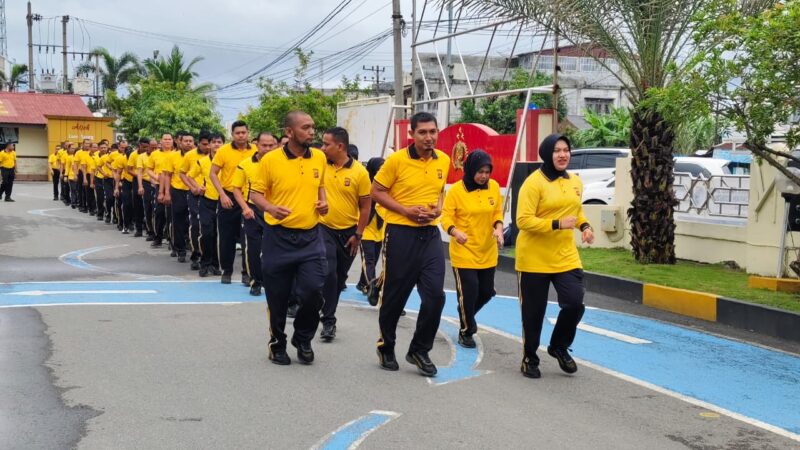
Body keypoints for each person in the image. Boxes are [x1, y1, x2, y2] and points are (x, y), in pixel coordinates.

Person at [370, 111, 450, 376]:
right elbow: (376, 191)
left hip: (430, 236)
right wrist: (405, 211)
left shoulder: (444, 160)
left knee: (435, 296)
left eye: (433, 132)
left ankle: (419, 349)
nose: (429, 137)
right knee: (395, 297)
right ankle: (386, 345)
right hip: (401, 233)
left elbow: (439, 192)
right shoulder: (396, 161)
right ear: (411, 134)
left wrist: (437, 210)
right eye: (423, 132)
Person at [249, 110, 328, 366]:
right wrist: (271, 208)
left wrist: (323, 204)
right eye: (306, 127)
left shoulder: (319, 157)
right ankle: (278, 343)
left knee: (314, 291)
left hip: (311, 238)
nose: (311, 132)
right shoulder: (270, 160)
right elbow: (256, 195)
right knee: (278, 296)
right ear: (290, 132)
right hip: (278, 239)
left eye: (312, 127)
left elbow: (321, 186)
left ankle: (303, 338)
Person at [516, 133, 594, 379]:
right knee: (533, 312)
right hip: (534, 258)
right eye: (557, 150)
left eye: (566, 150)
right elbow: (523, 220)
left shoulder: (575, 182)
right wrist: (557, 224)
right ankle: (530, 357)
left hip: (565, 257)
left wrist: (585, 227)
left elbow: (576, 211)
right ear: (547, 154)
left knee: (574, 302)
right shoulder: (534, 183)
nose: (563, 155)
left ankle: (559, 346)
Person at [441, 150, 504, 348]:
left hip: (487, 251)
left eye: (487, 171)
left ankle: (465, 313)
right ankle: (466, 330)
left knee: (486, 292)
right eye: (480, 171)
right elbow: (446, 217)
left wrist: (499, 228)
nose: (484, 176)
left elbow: (497, 212)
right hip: (464, 251)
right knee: (469, 292)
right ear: (470, 170)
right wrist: (454, 231)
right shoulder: (457, 192)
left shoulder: (493, 187)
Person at [318, 127, 371, 341]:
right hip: (323, 228)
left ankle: (327, 310)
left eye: (326, 144)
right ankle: (328, 321)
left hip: (348, 233)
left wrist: (358, 234)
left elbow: (365, 207)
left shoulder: (360, 172)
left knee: (339, 279)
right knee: (328, 272)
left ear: (340, 146)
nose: (322, 148)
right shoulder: (320, 165)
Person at [231, 132, 279, 296]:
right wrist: (245, 208)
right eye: (264, 145)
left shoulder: (281, 164)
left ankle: (271, 280)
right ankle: (255, 281)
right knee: (252, 247)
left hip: (275, 211)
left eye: (271, 145)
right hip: (252, 210)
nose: (267, 148)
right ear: (256, 145)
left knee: (274, 248)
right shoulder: (245, 165)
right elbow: (236, 189)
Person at [210, 120, 257, 284]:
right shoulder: (223, 151)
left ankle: (247, 272)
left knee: (248, 238)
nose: (241, 135)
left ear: (248, 133)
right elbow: (213, 174)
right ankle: (227, 271)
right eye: (237, 133)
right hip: (228, 198)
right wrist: (222, 195)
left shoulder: (256, 151)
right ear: (232, 134)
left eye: (244, 132)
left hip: (249, 199)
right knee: (226, 237)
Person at [188, 132, 224, 277]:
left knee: (218, 234)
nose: (216, 144)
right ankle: (205, 262)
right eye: (214, 142)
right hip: (206, 201)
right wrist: (197, 187)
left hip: (223, 201)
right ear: (208, 145)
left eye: (219, 142)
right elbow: (190, 176)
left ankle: (216, 265)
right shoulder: (202, 162)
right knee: (206, 233)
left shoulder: (227, 161)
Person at [356, 157, 385, 305]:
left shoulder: (386, 186)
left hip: (379, 230)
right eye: (379, 168)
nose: (382, 171)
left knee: (373, 258)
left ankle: (362, 282)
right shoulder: (366, 184)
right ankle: (371, 288)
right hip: (366, 229)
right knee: (369, 261)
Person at [163, 133, 191, 262]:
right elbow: (167, 175)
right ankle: (180, 249)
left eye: (190, 141)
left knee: (192, 222)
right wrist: (166, 193)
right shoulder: (172, 156)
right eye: (185, 141)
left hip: (195, 192)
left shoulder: (198, 156)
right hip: (178, 191)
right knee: (178, 221)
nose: (188, 143)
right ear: (179, 142)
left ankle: (192, 245)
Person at [180, 133, 205, 270]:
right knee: (195, 224)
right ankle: (196, 254)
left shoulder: (219, 156)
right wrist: (193, 187)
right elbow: (183, 173)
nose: (208, 146)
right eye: (204, 144)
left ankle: (211, 258)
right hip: (195, 195)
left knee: (211, 228)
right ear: (199, 143)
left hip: (214, 195)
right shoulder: (190, 155)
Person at [137, 138, 156, 240]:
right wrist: (140, 186)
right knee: (148, 207)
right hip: (146, 183)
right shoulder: (141, 157)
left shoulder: (159, 155)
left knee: (156, 209)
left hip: (158, 184)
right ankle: (150, 231)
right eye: (151, 147)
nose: (153, 149)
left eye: (155, 147)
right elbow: (139, 172)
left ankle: (158, 231)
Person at [92, 143, 106, 221]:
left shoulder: (110, 156)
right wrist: (92, 181)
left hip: (108, 178)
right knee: (100, 197)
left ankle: (110, 214)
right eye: (102, 148)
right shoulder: (95, 156)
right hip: (98, 178)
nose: (103, 149)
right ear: (99, 149)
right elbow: (93, 169)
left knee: (109, 198)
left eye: (105, 147)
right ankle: (100, 213)